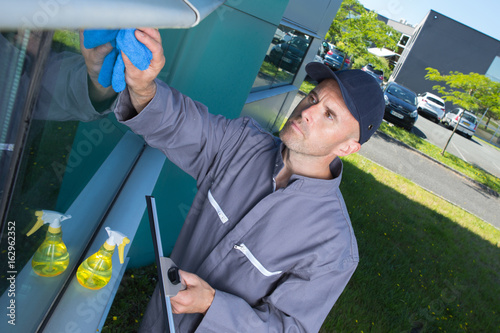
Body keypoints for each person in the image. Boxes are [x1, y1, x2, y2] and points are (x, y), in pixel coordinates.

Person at [112, 28, 384, 332]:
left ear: (348, 147)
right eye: (312, 98)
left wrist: (212, 305)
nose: (307, 112)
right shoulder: (241, 144)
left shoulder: (334, 247)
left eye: (329, 115)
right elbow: (178, 123)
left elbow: (289, 328)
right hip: (158, 321)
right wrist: (143, 86)